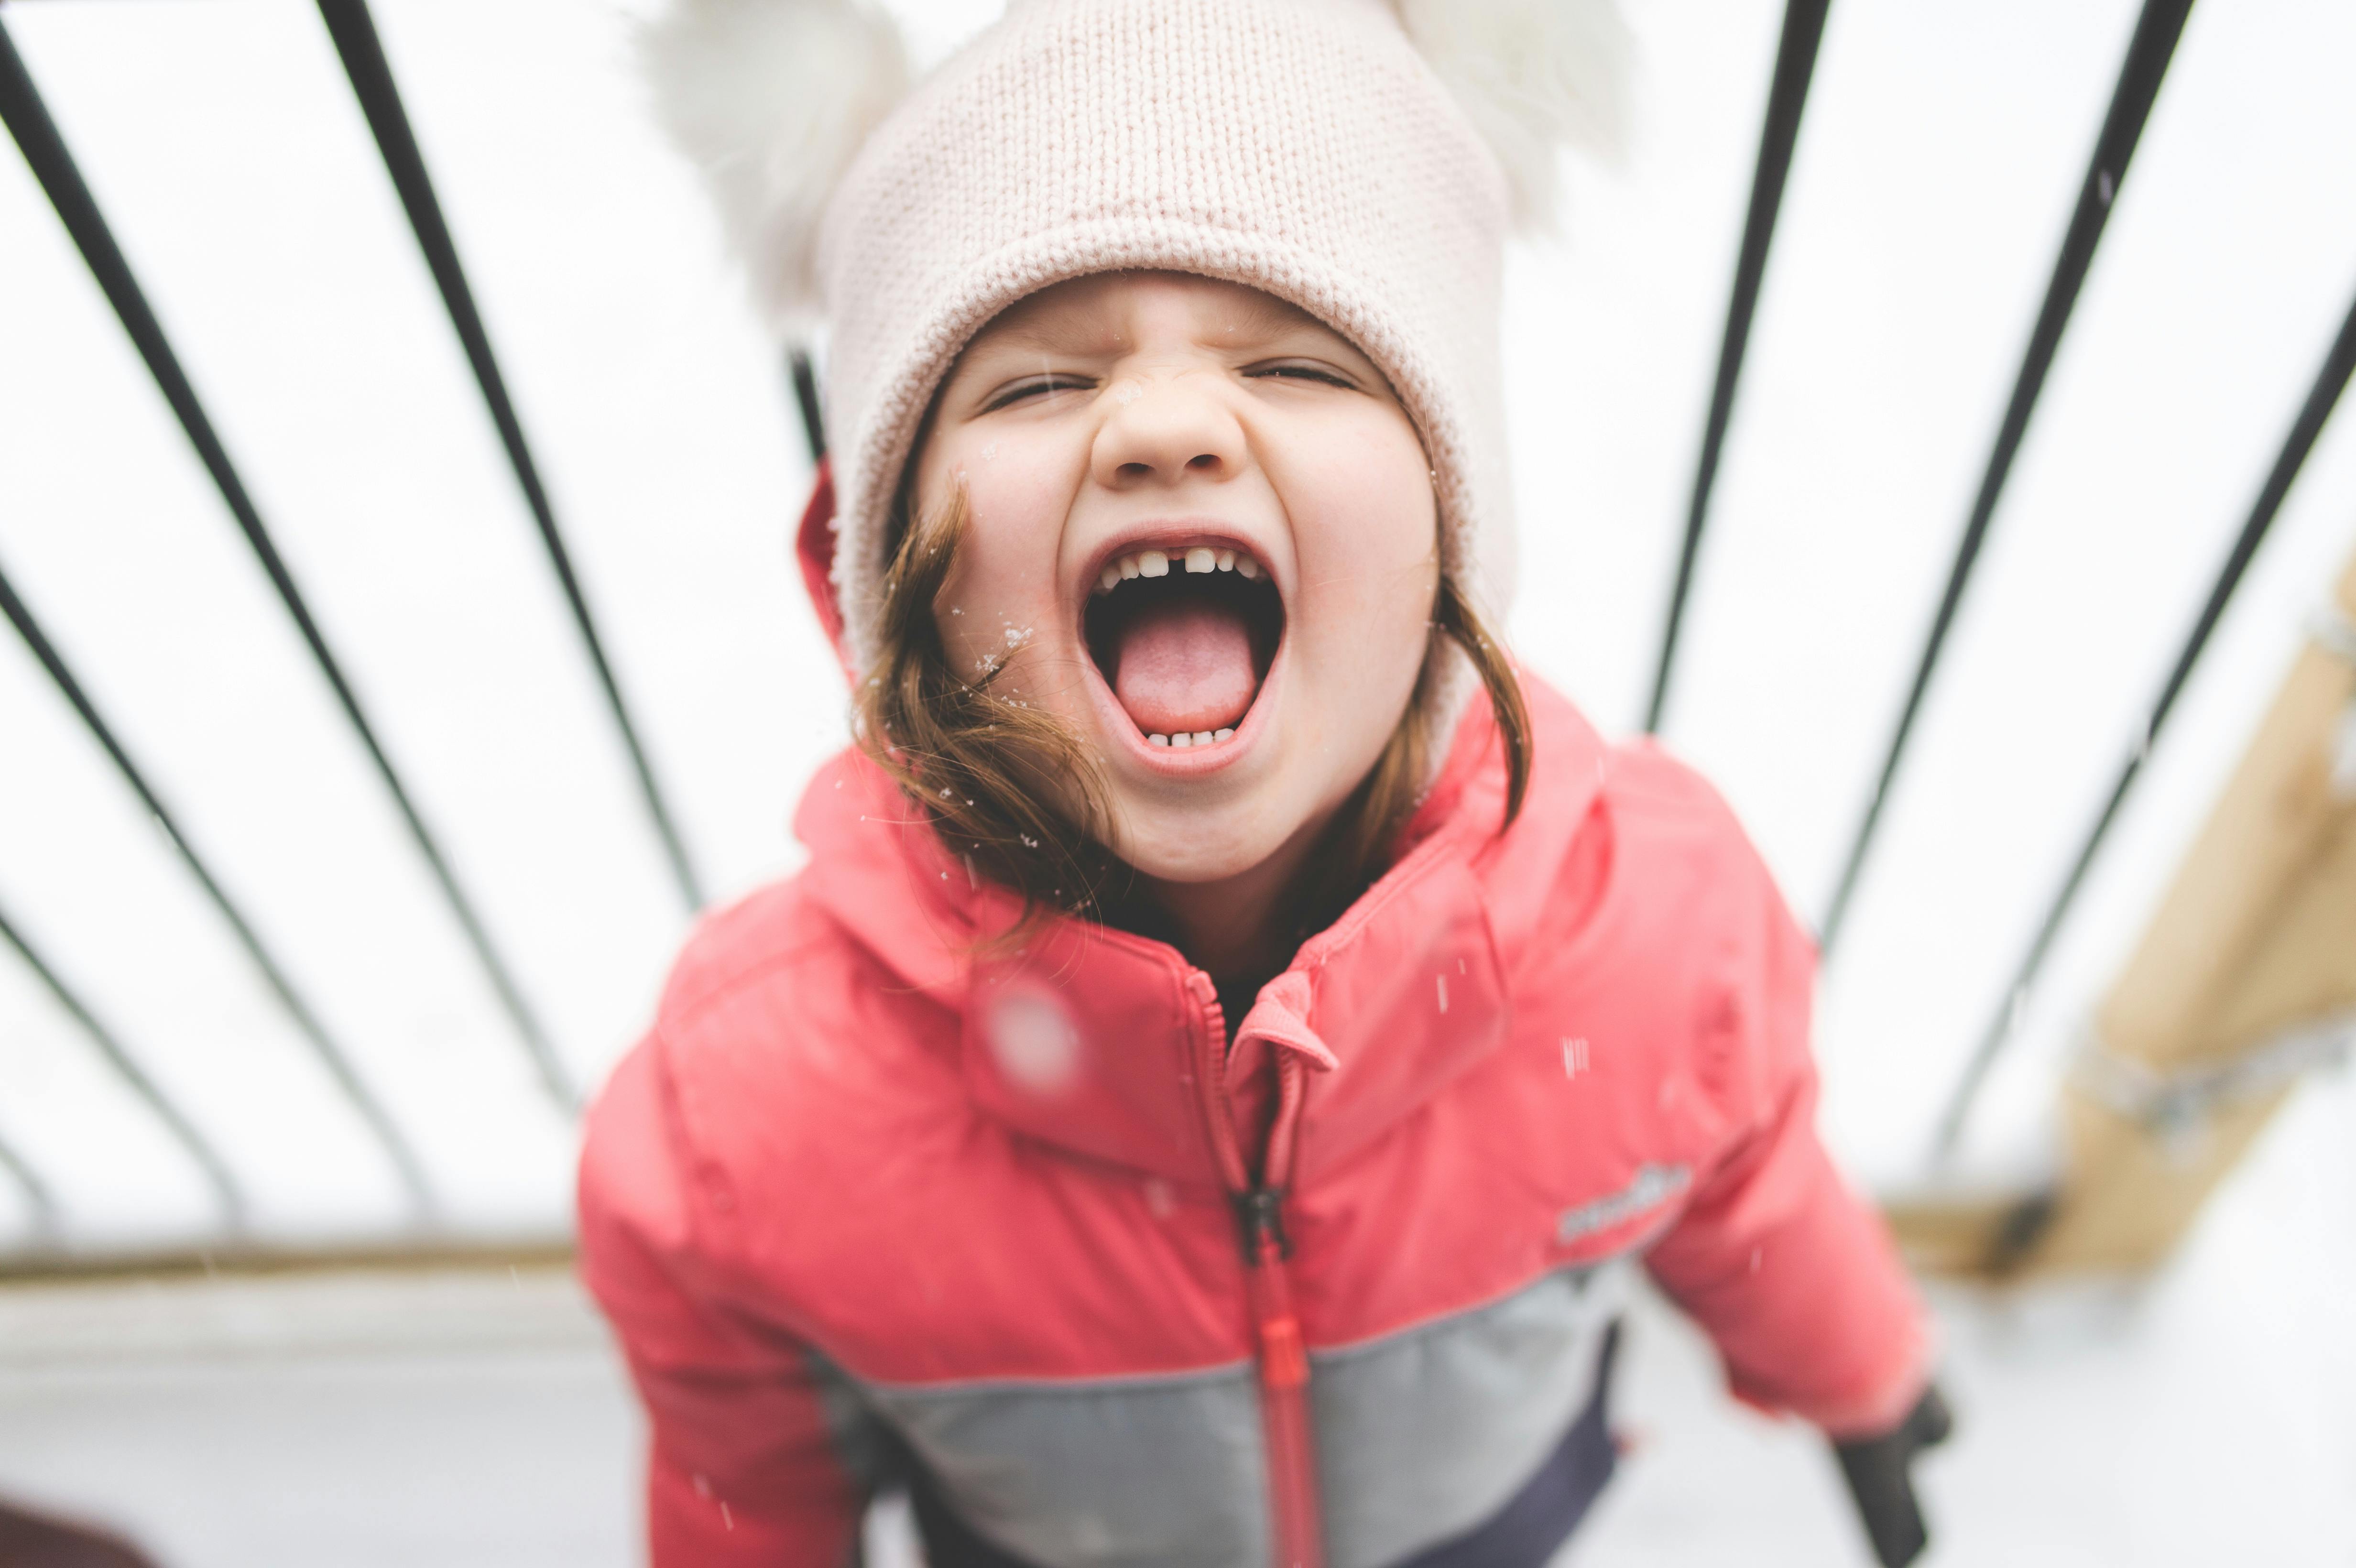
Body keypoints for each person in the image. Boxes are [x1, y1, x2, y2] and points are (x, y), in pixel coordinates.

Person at [579, 2, 1946, 1565]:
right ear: (898, 583)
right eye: (1034, 388)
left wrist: (1859, 1370)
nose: (1165, 425)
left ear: (1450, 524)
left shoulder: (1650, 930)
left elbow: (1750, 1190)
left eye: (1297, 363)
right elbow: (742, 1469)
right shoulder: (755, 1108)